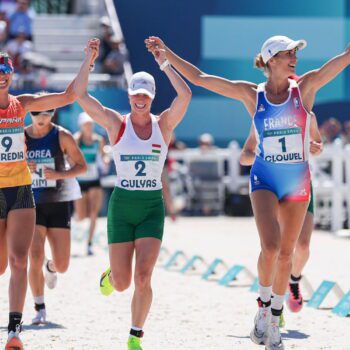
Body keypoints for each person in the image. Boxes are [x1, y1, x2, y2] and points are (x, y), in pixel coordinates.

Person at [145, 35, 350, 349]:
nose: (294, 58)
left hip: (297, 178)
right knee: (269, 247)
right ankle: (264, 306)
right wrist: (166, 54)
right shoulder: (251, 95)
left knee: (286, 253)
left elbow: (341, 60)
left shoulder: (305, 87)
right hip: (265, 176)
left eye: (296, 53)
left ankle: (275, 321)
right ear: (270, 60)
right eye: (287, 54)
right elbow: (200, 79)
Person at [73, 38, 191, 350]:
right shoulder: (116, 123)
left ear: (151, 98)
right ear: (129, 95)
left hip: (151, 207)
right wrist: (90, 59)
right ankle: (113, 274)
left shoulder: (163, 125)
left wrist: (164, 62)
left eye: (146, 96)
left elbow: (186, 94)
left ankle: (135, 334)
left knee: (143, 278)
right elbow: (81, 95)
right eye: (136, 95)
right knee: (123, 282)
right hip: (123, 206)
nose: (141, 100)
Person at [0, 51, 77, 350]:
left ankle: (14, 331)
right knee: (2, 266)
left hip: (20, 188)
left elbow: (69, 96)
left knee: (20, 260)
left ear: (11, 75)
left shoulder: (24, 104)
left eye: (5, 72)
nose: (1, 77)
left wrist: (89, 61)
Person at [240, 111, 323, 324]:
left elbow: (318, 144)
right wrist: (260, 156)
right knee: (275, 248)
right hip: (272, 183)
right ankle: (274, 307)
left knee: (302, 246)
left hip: (300, 182)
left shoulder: (308, 116)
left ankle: (293, 281)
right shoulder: (263, 117)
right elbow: (245, 155)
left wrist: (315, 147)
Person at [25, 102, 86, 325]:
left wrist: (58, 174)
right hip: (31, 203)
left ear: (52, 113)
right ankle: (39, 307)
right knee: (34, 255)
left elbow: (82, 167)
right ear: (29, 113)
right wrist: (24, 167)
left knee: (62, 265)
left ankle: (50, 268)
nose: (40, 118)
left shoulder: (62, 136)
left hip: (58, 202)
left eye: (45, 113)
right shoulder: (22, 138)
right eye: (35, 113)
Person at [74, 111, 107, 255]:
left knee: (94, 212)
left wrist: (105, 162)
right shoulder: (76, 140)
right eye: (86, 124)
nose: (89, 127)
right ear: (81, 126)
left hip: (94, 180)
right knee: (81, 216)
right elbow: (69, 158)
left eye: (91, 124)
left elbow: (102, 158)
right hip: (80, 181)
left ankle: (89, 243)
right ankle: (75, 226)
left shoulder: (98, 140)